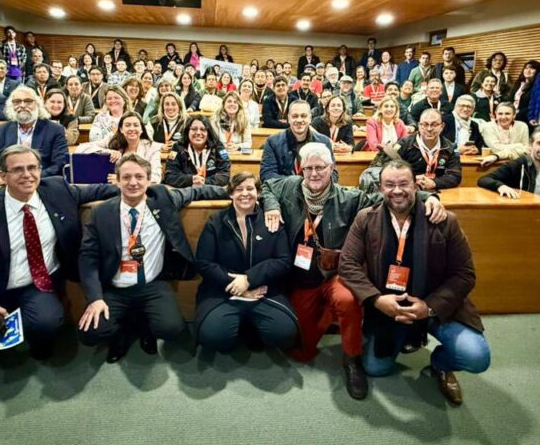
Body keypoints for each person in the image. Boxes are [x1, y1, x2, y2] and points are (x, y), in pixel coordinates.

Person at [262, 144, 446, 399]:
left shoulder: (349, 198)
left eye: (321, 168)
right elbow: (267, 185)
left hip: (336, 275)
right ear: (300, 169)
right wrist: (271, 206)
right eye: (309, 168)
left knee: (348, 300)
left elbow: (387, 198)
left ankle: (352, 360)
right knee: (301, 351)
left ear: (332, 168)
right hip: (301, 279)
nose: (314, 174)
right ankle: (325, 314)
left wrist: (430, 197)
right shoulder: (290, 187)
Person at [0, 146, 118, 370]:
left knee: (46, 323)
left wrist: (133, 186)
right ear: (2, 176)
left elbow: (100, 190)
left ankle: (37, 345)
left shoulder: (57, 189)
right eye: (18, 170)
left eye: (32, 168)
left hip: (37, 285)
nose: (27, 175)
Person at [339, 159, 489, 404]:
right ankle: (398, 338)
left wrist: (428, 308)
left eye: (403, 184)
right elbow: (347, 265)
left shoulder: (444, 220)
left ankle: (440, 365)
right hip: (388, 310)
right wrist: (376, 300)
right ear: (380, 189)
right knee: (375, 369)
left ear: (416, 186)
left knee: (475, 356)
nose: (396, 190)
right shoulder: (366, 219)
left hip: (437, 309)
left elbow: (464, 274)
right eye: (389, 184)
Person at [77, 154, 226, 362]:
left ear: (149, 180)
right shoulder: (101, 212)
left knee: (172, 328)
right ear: (117, 180)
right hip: (114, 285)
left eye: (139, 176)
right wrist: (95, 298)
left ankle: (144, 326)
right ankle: (123, 332)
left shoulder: (163, 200)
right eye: (126, 177)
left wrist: (232, 191)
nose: (133, 182)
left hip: (152, 283)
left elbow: (196, 191)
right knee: (91, 333)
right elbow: (88, 257)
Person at [194, 172, 297, 354]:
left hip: (264, 292)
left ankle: (251, 326)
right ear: (231, 193)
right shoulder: (216, 221)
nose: (245, 193)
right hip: (224, 292)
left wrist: (249, 279)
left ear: (258, 192)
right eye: (239, 189)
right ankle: (240, 328)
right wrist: (238, 286)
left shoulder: (271, 220)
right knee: (212, 337)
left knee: (285, 333)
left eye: (250, 188)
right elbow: (205, 263)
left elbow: (284, 261)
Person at [478, 127, 540, 259]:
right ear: (530, 145)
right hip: (520, 225)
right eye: (539, 143)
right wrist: (501, 186)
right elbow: (484, 179)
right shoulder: (518, 165)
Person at [0, 87, 69, 183]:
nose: (22, 105)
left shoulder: (55, 130)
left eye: (28, 101)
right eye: (17, 102)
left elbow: (59, 164)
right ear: (11, 106)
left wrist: (30, 178)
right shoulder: (0, 131)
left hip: (41, 184)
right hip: (7, 186)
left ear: (38, 105)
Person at [79, 111, 163, 184]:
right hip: (112, 190)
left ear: (141, 129)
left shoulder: (152, 147)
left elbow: (155, 178)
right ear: (121, 129)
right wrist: (109, 152)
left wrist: (124, 180)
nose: (132, 128)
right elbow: (82, 148)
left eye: (136, 125)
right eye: (127, 125)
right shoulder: (113, 140)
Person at [260, 100, 333, 182]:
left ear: (310, 118)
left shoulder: (324, 142)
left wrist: (312, 186)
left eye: (303, 116)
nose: (299, 120)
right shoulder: (273, 142)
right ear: (289, 118)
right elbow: (267, 175)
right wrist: (298, 184)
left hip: (314, 192)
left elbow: (333, 174)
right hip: (283, 193)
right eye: (295, 116)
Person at [390, 108, 463, 190]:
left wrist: (434, 183)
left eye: (434, 124)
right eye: (425, 124)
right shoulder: (403, 144)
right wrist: (412, 179)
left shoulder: (450, 147)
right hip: (409, 192)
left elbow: (455, 176)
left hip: (439, 192)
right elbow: (385, 169)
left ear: (442, 126)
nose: (429, 129)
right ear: (419, 126)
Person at [163, 115, 230, 188]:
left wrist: (205, 181)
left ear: (208, 132)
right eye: (194, 129)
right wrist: (191, 179)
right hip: (186, 193)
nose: (198, 132)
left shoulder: (218, 147)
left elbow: (224, 175)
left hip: (210, 192)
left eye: (203, 129)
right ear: (187, 131)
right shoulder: (178, 147)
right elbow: (170, 176)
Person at [508, 60, 540, 129]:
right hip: (510, 116)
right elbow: (510, 100)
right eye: (526, 68)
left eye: (532, 68)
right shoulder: (518, 84)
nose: (528, 70)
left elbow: (531, 105)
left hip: (525, 119)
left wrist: (517, 115)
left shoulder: (537, 86)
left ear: (537, 71)